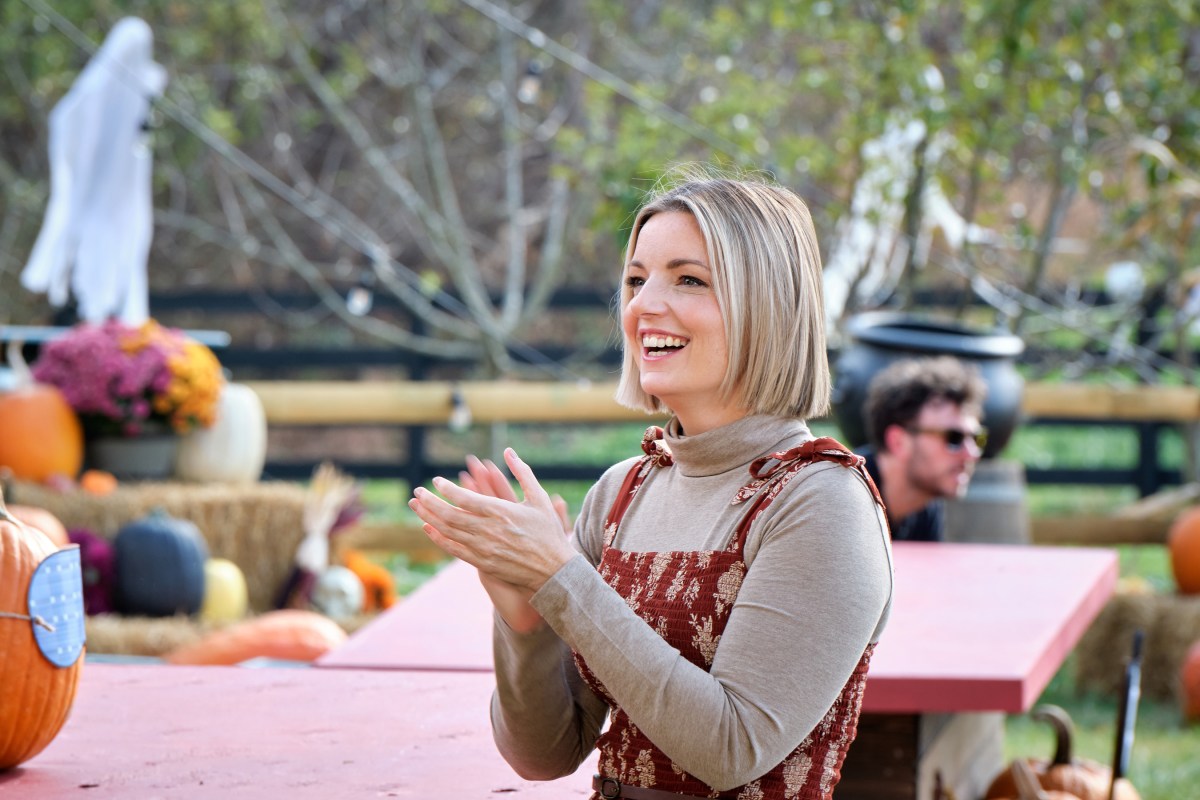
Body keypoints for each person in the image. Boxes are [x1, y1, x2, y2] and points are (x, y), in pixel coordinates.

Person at [408, 166, 894, 799]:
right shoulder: (621, 494)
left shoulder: (821, 502)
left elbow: (730, 748)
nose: (642, 306)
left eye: (689, 279)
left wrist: (563, 580)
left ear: (768, 306)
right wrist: (525, 621)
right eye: (636, 280)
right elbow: (543, 755)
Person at [859, 356, 988, 542]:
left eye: (977, 438)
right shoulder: (842, 500)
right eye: (954, 438)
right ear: (898, 442)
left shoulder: (926, 505)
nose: (972, 453)